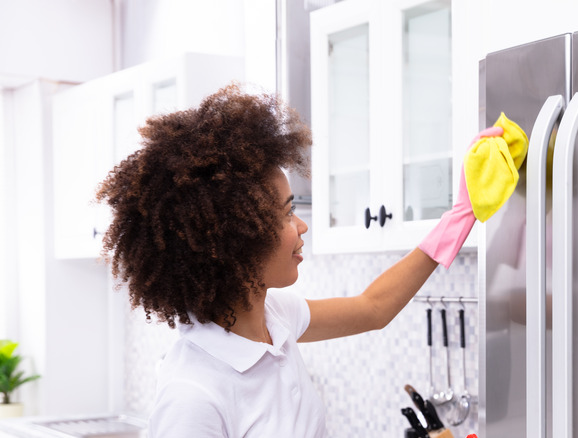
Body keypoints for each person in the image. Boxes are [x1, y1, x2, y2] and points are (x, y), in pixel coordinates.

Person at [96, 83, 513, 437]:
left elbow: (373, 308)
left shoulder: (273, 319)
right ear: (232, 241)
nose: (301, 226)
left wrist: (461, 215)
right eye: (284, 214)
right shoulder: (193, 396)